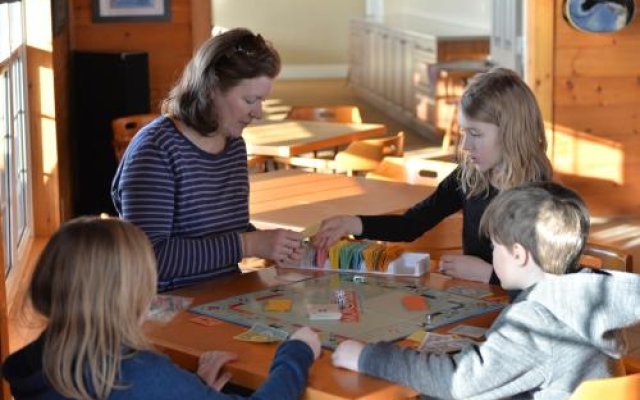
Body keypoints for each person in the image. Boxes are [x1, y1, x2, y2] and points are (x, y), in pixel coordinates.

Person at [331, 182, 640, 399]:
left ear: (518, 254)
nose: (491, 255)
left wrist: (368, 356)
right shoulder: (583, 294)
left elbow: (460, 382)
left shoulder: (537, 319)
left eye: (494, 247)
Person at [2, 216, 321, 400]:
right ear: (133, 295)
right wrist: (296, 352)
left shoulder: (40, 360)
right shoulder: (140, 374)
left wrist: (192, 388)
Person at [312, 67, 553, 286]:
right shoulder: (468, 177)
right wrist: (353, 223)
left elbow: (548, 280)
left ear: (511, 133)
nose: (466, 146)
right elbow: (411, 224)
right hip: (474, 297)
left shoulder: (540, 196)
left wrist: (488, 274)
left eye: (476, 134)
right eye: (463, 133)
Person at [111, 28, 303, 291]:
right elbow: (148, 259)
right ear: (211, 89)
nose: (258, 112)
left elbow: (226, 230)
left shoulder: (233, 143)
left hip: (224, 298)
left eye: (262, 100)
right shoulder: (155, 150)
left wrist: (271, 244)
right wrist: (250, 244)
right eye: (250, 99)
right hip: (166, 308)